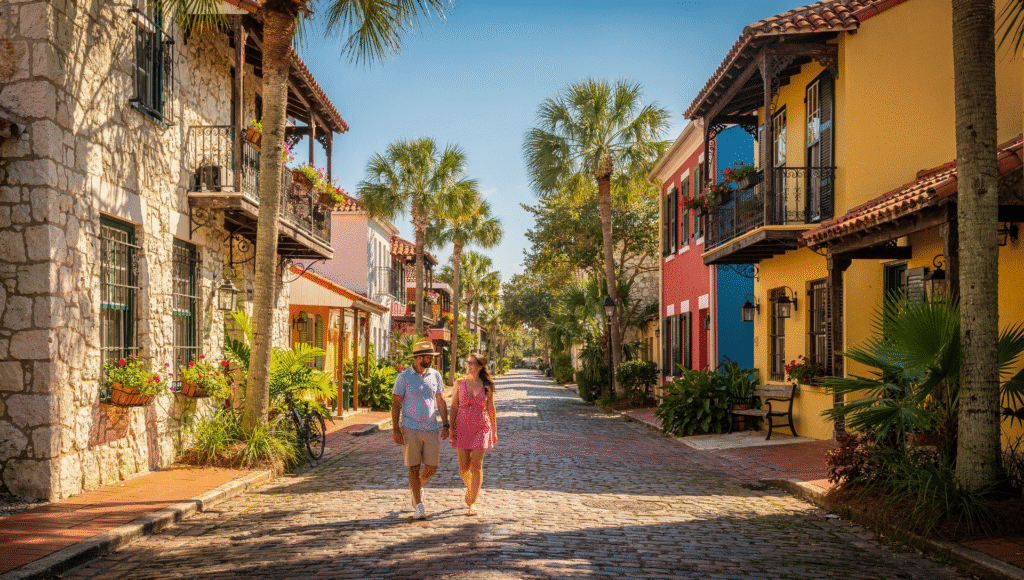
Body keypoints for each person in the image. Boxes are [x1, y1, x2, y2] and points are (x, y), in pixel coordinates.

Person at [392, 340, 449, 520]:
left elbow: (440, 400)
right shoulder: (403, 378)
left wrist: (446, 424)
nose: (430, 360)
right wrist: (395, 429)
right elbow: (396, 404)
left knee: (433, 466)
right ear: (417, 358)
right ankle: (418, 505)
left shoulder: (435, 375)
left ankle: (416, 487)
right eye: (427, 357)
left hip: (431, 427)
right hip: (410, 428)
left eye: (432, 357)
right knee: (414, 467)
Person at [449, 352, 497, 516]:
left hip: (481, 427)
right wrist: (450, 428)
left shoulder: (486, 386)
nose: (468, 365)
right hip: (461, 427)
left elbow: (491, 408)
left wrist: (494, 431)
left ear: (480, 366)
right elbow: (454, 406)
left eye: (472, 363)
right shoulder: (459, 383)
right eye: (467, 362)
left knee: (476, 465)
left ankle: (473, 502)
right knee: (464, 468)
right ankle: (470, 489)